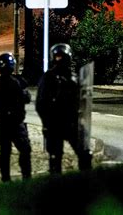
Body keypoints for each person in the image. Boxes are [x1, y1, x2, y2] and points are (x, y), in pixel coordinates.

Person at [36, 43, 92, 174]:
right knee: (55, 158)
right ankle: (55, 186)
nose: (60, 60)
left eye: (62, 57)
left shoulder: (74, 78)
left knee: (85, 153)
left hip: (72, 122)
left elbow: (83, 100)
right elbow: (41, 103)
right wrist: (46, 121)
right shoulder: (49, 77)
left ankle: (86, 182)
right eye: (58, 57)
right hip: (54, 122)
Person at [0, 52, 32, 182]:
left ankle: (5, 178)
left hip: (3, 122)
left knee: (5, 152)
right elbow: (26, 98)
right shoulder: (18, 82)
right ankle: (26, 176)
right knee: (24, 149)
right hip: (16, 122)